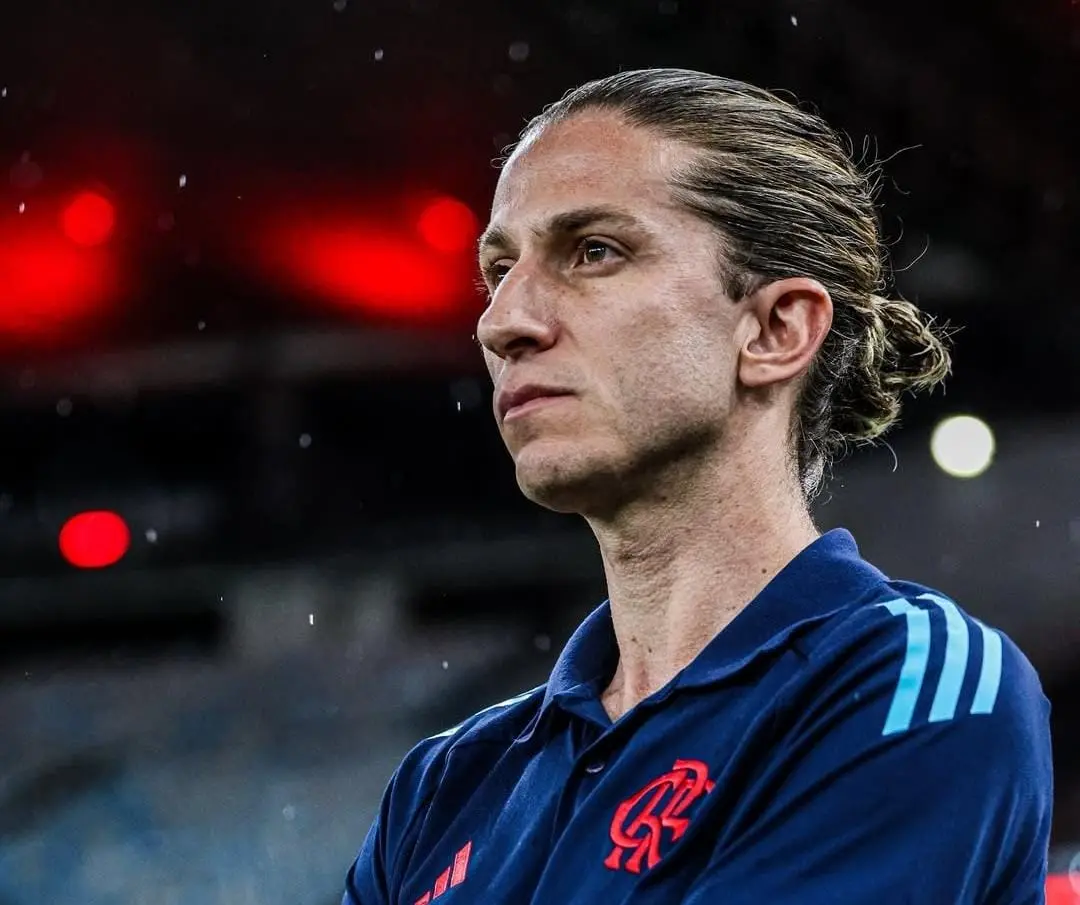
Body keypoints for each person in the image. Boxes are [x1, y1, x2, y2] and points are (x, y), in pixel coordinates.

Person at [342, 69, 1052, 904]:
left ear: (776, 330)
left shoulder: (912, 681)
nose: (502, 321)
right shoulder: (443, 786)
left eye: (593, 251)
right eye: (499, 269)